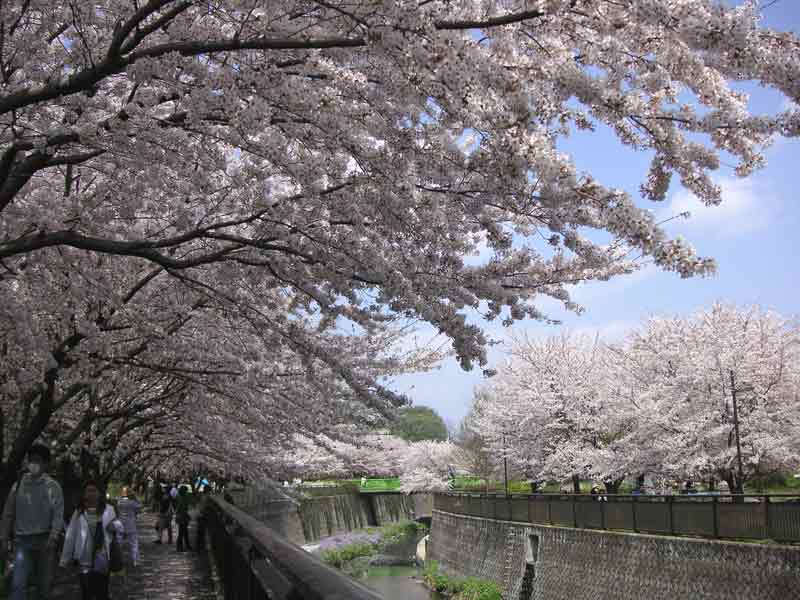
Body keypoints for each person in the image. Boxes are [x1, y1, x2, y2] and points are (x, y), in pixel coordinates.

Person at [0, 443, 64, 600]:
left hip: (45, 542)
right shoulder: (19, 485)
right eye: (32, 460)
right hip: (22, 541)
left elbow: (58, 514)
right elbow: (8, 513)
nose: (34, 464)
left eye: (38, 460)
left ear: (46, 464)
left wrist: (54, 536)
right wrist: (4, 538)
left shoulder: (52, 487)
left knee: (43, 586)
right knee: (18, 584)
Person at [60, 482, 120, 600]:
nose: (91, 493)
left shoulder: (109, 510)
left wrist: (115, 525)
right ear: (84, 494)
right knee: (86, 594)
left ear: (99, 494)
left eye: (94, 490)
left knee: (102, 593)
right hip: (84, 560)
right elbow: (70, 536)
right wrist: (64, 560)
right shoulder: (79, 513)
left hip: (102, 559)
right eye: (88, 490)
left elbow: (119, 526)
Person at [115, 488, 141, 567]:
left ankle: (117, 560)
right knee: (133, 543)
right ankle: (135, 560)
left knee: (119, 543)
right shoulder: (132, 502)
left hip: (120, 525)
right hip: (130, 525)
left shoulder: (119, 501)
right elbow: (140, 506)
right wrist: (135, 497)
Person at [174, 486, 192, 552]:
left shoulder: (181, 496)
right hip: (182, 516)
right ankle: (180, 547)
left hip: (182, 516)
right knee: (182, 532)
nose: (186, 492)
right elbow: (181, 508)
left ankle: (186, 546)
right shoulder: (181, 498)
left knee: (184, 531)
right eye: (186, 491)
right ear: (184, 491)